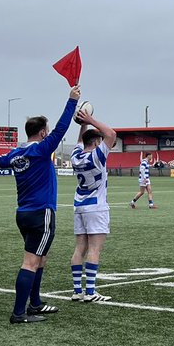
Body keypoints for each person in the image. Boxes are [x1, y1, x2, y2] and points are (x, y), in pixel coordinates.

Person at [0, 85, 81, 324]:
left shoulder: (16, 154)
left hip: (23, 214)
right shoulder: (42, 150)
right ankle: (19, 313)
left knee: (39, 257)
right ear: (42, 133)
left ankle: (36, 303)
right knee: (31, 261)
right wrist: (71, 101)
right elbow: (62, 128)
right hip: (42, 213)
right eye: (47, 131)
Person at [69, 106, 117, 302]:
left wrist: (84, 123)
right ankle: (90, 292)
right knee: (95, 249)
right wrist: (90, 118)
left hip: (79, 205)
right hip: (96, 207)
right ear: (97, 142)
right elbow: (111, 134)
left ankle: (76, 291)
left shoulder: (75, 156)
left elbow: (81, 141)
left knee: (79, 248)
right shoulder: (98, 156)